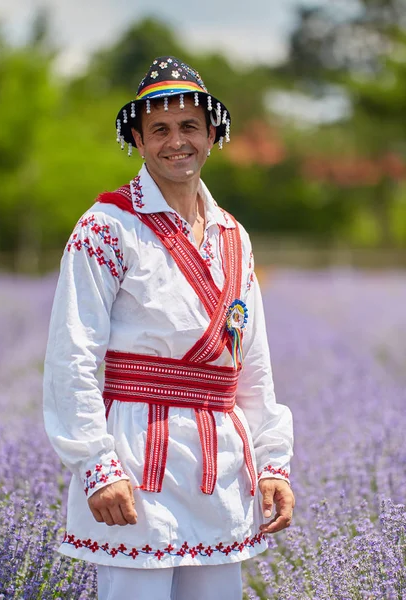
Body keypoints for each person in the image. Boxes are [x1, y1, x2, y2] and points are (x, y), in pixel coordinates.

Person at [43, 56, 294, 600]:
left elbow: (251, 361)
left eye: (189, 128)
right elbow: (73, 353)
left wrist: (273, 460)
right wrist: (96, 465)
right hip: (136, 463)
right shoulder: (107, 227)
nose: (175, 141)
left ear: (211, 136)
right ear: (137, 137)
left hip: (221, 466)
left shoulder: (233, 235)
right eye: (159, 129)